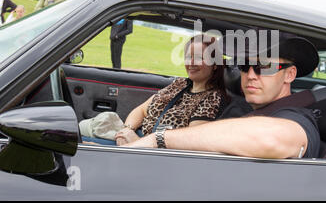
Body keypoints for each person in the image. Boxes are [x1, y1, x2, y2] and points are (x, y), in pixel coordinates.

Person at [123, 31, 321, 159]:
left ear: (290, 74)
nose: (251, 75)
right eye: (245, 66)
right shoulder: (240, 108)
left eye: (264, 66)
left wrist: (158, 139)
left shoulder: (297, 118)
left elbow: (269, 139)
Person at [81, 34, 228, 146]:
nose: (191, 63)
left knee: (78, 143)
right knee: (78, 132)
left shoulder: (212, 99)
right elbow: (142, 110)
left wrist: (137, 142)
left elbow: (189, 144)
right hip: (133, 139)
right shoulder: (180, 84)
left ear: (214, 64)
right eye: (188, 57)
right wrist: (127, 130)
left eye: (199, 57)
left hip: (150, 153)